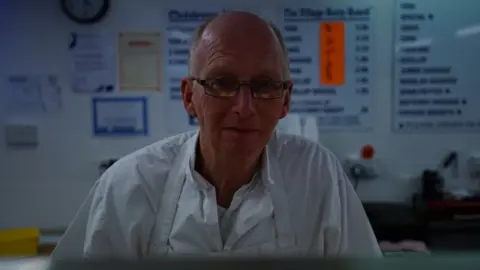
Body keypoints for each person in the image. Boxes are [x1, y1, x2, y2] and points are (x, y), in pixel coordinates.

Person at [52, 11, 381, 259]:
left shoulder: (318, 178)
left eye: (265, 86)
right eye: (221, 83)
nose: (244, 107)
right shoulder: (128, 186)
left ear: (286, 101)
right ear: (188, 97)